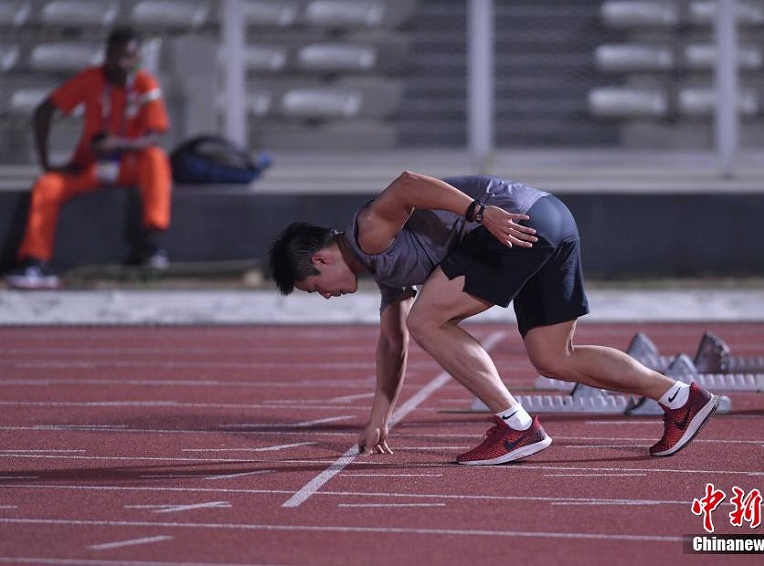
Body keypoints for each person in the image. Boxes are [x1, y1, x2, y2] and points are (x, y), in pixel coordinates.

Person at [269, 171, 720, 465]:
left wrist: (481, 214)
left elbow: (406, 184)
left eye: (314, 289)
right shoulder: (385, 274)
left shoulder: (368, 230)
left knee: (426, 319)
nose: (325, 297)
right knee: (553, 357)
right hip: (552, 218)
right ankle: (681, 397)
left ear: (322, 261)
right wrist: (379, 416)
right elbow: (392, 343)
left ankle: (516, 426)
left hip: (514, 223)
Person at [4, 26, 172, 290]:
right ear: (106, 54)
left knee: (156, 158)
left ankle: (152, 243)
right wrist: (46, 161)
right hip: (91, 164)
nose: (120, 63)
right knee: (48, 184)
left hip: (129, 164)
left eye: (127, 57)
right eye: (115, 55)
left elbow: (156, 135)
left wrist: (119, 143)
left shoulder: (146, 84)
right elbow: (44, 111)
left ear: (137, 59)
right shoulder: (92, 79)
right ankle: (35, 261)